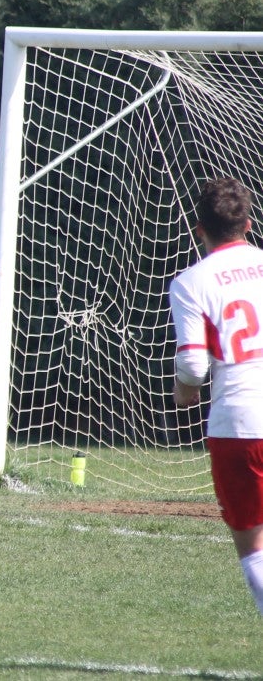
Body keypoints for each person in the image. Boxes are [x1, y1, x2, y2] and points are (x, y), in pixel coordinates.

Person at [170, 177, 263, 618]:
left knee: (253, 544)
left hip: (241, 425)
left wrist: (183, 391)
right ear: (248, 223)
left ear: (199, 230)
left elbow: (193, 365)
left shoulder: (192, 282)